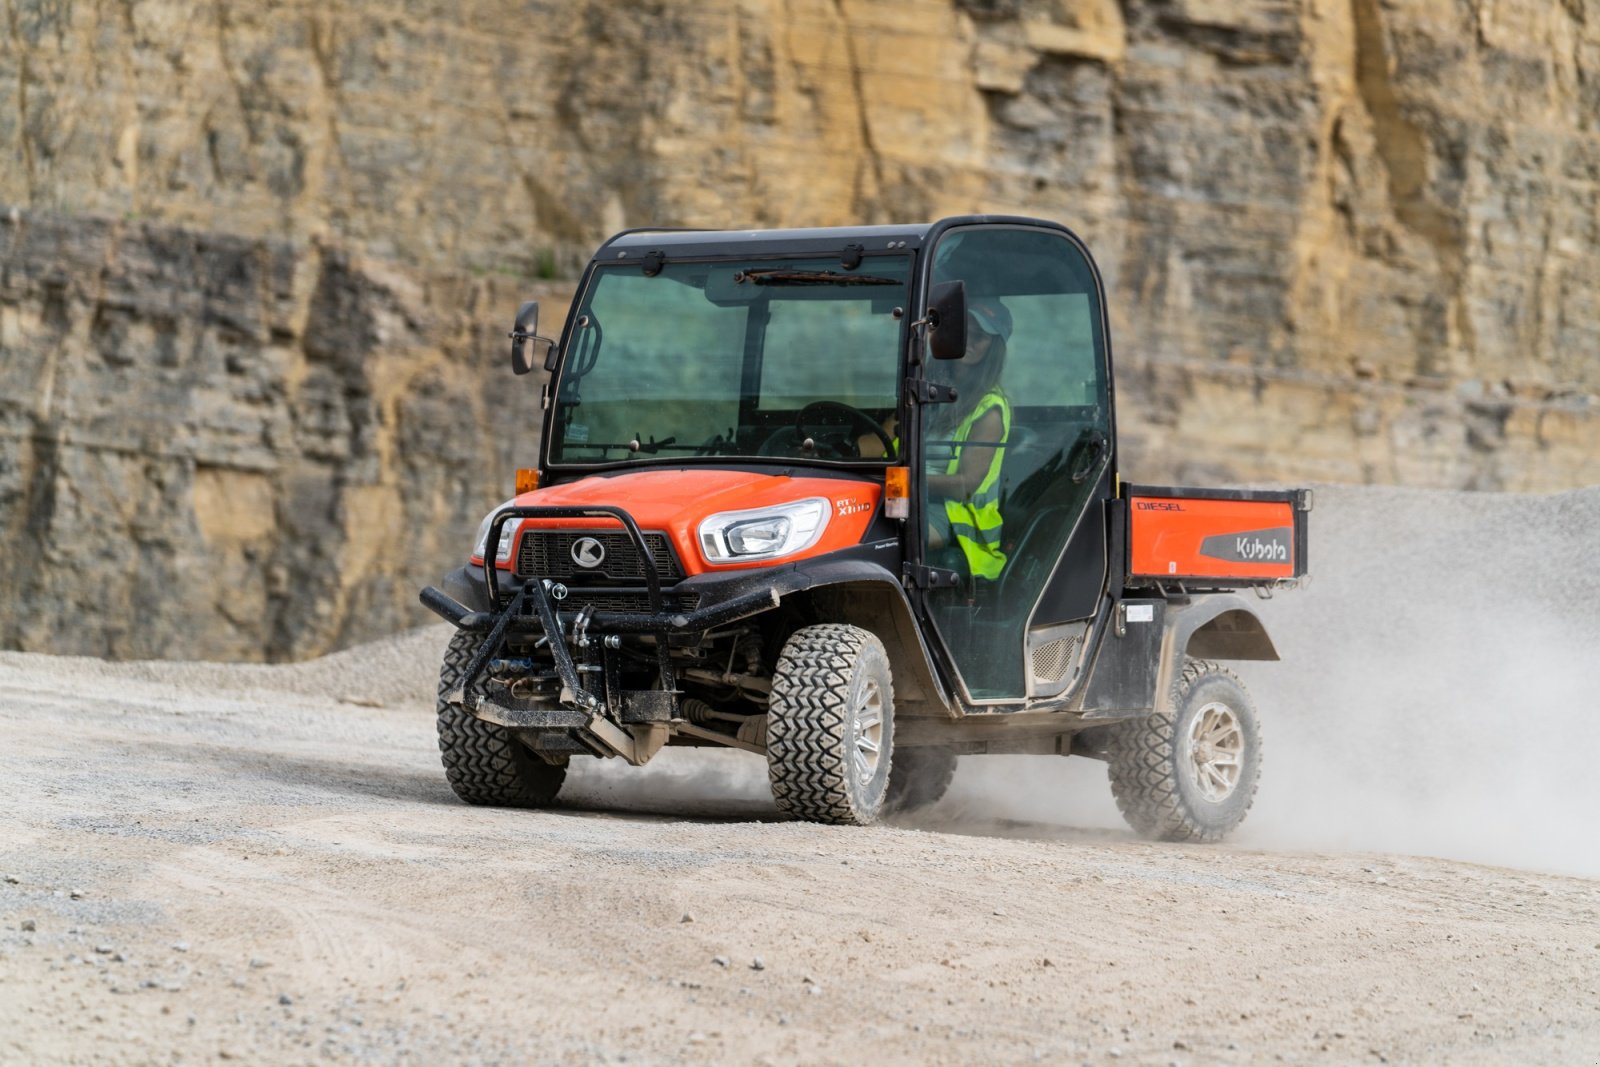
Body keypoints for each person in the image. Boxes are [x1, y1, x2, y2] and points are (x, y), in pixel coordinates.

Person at [861, 298, 1013, 580]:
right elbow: (880, 440)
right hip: (900, 496)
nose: (970, 342)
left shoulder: (989, 409)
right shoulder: (924, 389)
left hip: (951, 517)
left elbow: (964, 487)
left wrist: (899, 481)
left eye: (981, 337)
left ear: (994, 348)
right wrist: (831, 452)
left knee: (871, 535)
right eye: (965, 333)